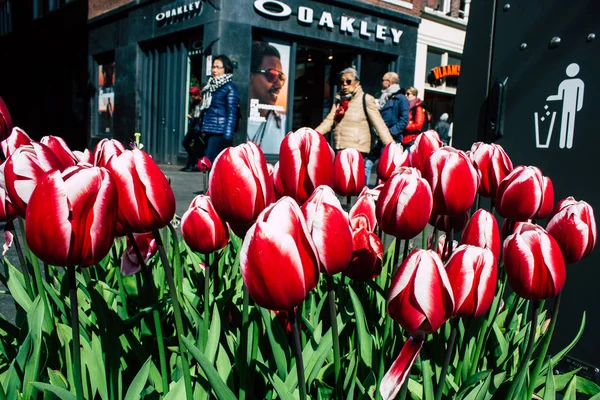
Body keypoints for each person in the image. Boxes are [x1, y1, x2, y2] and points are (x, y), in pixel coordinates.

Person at [316, 67, 393, 181]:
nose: (344, 85)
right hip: (341, 148)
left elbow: (379, 124)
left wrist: (391, 147)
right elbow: (329, 121)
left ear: (357, 83)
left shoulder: (366, 99)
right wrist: (312, 134)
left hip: (358, 150)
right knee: (341, 184)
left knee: (355, 184)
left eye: (348, 81)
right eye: (342, 82)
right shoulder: (339, 101)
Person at [248, 42, 288, 155]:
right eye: (272, 75)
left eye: (281, 78)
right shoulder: (234, 120)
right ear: (250, 76)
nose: (279, 85)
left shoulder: (283, 124)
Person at [199, 55, 240, 162]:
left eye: (218, 67)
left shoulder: (230, 87)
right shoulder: (211, 86)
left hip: (220, 131)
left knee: (212, 161)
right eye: (213, 67)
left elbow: (232, 113)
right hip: (208, 129)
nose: (214, 70)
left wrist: (227, 136)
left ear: (225, 69)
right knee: (207, 162)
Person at [181, 86, 204, 171]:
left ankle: (193, 165)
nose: (192, 97)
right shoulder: (194, 103)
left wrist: (193, 118)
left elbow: (199, 115)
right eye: (192, 95)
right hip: (194, 127)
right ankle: (191, 163)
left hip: (198, 128)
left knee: (195, 147)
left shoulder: (201, 103)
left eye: (194, 95)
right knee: (186, 143)